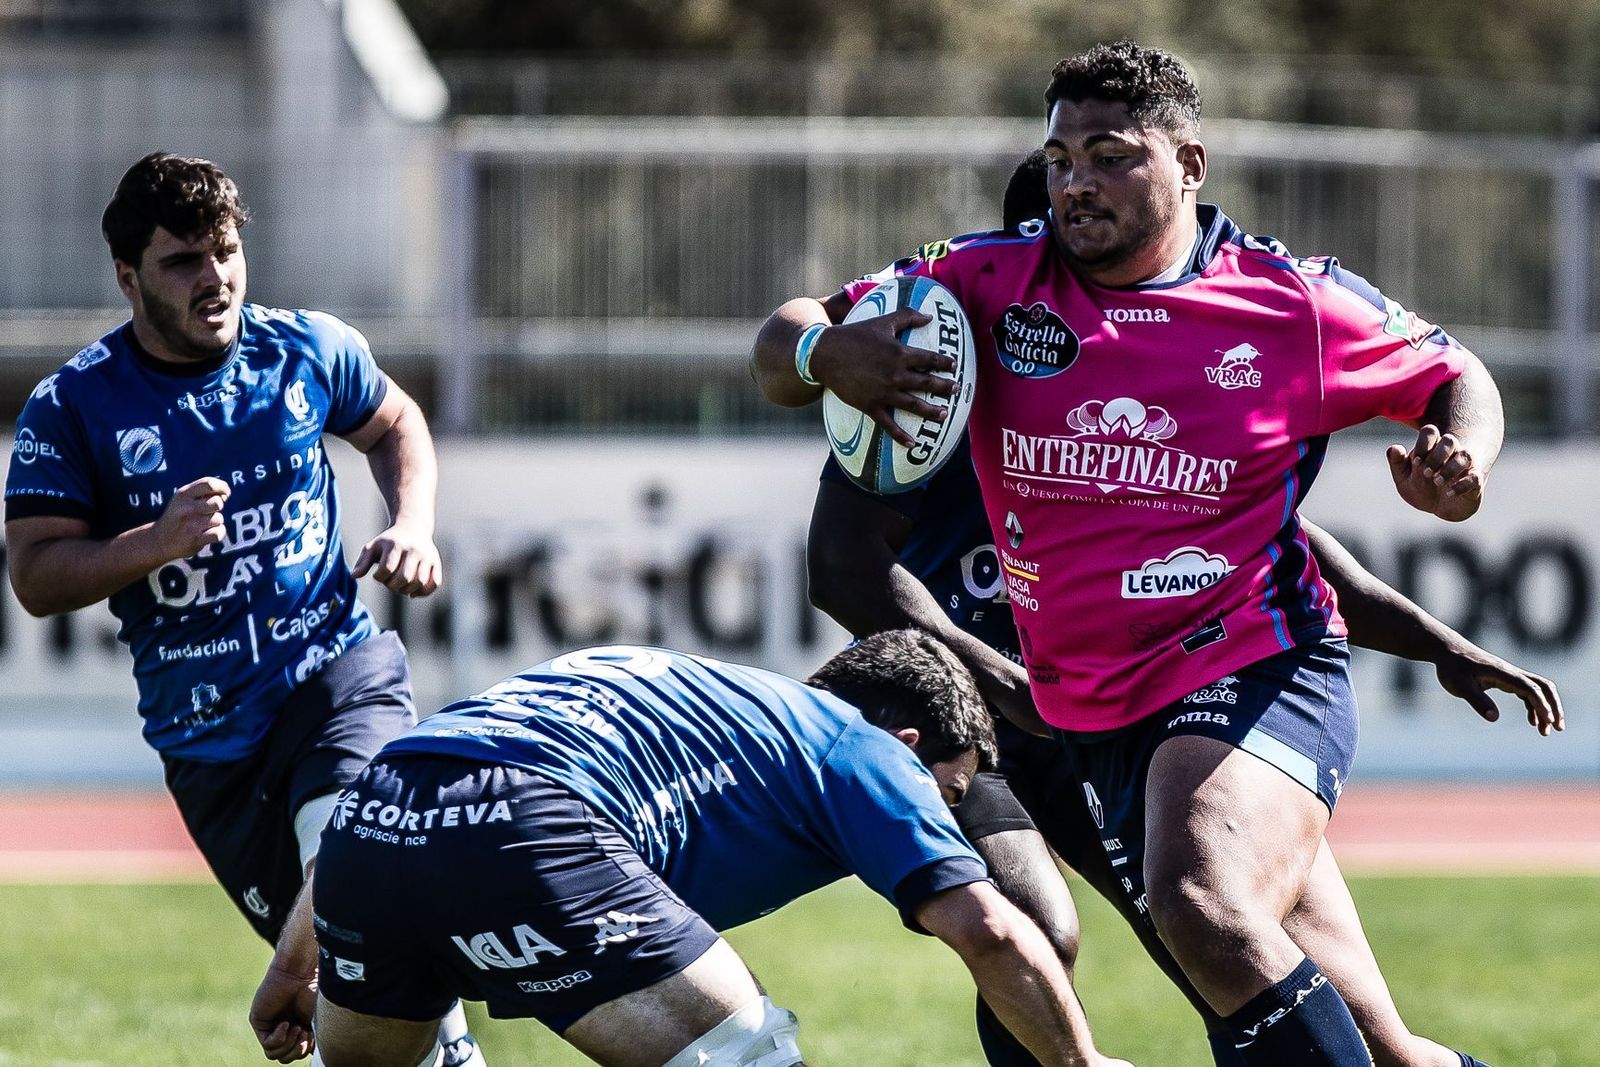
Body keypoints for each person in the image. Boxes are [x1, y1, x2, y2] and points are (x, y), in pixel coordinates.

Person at [752, 41, 1553, 1066]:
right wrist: (826, 352)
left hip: (1255, 662)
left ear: (1189, 164)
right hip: (1092, 710)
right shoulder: (980, 289)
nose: (1075, 180)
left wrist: (1463, 454)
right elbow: (782, 348)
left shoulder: (1290, 304)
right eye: (1059, 157)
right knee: (1365, 1035)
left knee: (1199, 901)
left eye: (1110, 154)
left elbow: (1455, 373)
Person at [1, 153, 480, 1065]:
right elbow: (34, 573)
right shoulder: (72, 407)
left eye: (225, 251)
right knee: (365, 1005)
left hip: (334, 674)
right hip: (211, 747)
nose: (215, 278)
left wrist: (412, 522)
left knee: (361, 877)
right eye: (183, 261)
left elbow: (396, 422)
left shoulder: (303, 350)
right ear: (128, 276)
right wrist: (153, 542)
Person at [282, 632, 1135, 1067]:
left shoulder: (683, 682)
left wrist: (294, 965)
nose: (938, 816)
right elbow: (987, 928)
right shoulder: (858, 746)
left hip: (368, 831)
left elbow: (433, 773)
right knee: (745, 1058)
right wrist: (1082, 1061)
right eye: (946, 792)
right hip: (529, 830)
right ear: (908, 742)